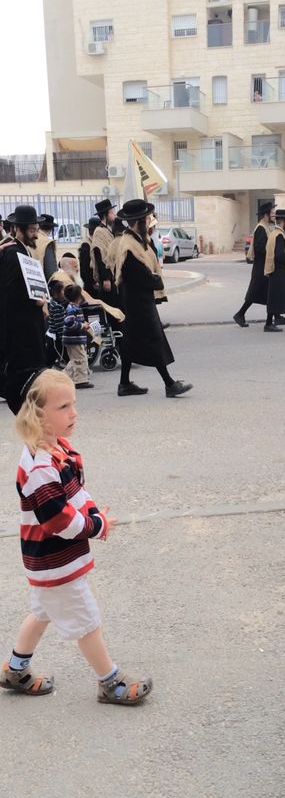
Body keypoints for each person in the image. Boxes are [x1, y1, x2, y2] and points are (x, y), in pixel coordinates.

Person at [0, 368, 152, 705]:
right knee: (86, 620)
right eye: (64, 407)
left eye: (74, 404)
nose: (74, 413)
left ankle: (15, 670)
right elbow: (59, 521)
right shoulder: (40, 466)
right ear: (38, 415)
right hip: (54, 559)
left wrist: (94, 511)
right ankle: (109, 682)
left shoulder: (56, 448)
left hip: (47, 559)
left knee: (41, 612)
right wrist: (95, 527)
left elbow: (75, 493)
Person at [115, 199, 193, 398]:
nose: (150, 221)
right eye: (147, 218)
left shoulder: (137, 240)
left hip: (136, 300)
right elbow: (143, 277)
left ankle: (124, 384)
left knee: (130, 343)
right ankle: (169, 384)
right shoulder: (129, 247)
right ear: (138, 221)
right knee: (154, 339)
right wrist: (156, 281)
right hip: (137, 303)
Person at [0, 205, 47, 391]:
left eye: (37, 230)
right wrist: (34, 301)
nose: (36, 235)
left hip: (27, 321)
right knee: (24, 367)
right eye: (32, 231)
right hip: (21, 325)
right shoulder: (13, 253)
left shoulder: (21, 249)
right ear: (19, 229)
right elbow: (10, 292)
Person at [233, 202, 285, 328]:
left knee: (267, 293)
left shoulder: (266, 227)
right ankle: (240, 314)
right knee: (255, 293)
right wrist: (272, 252)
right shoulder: (260, 228)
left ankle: (277, 316)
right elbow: (260, 248)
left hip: (264, 266)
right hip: (260, 267)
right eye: (272, 213)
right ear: (266, 215)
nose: (274, 215)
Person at [62, 284, 93, 390]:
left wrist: (84, 324)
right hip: (74, 339)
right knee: (80, 359)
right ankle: (80, 381)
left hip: (75, 338)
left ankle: (62, 377)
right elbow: (69, 322)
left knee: (75, 360)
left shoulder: (74, 307)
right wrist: (82, 325)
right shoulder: (72, 309)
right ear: (79, 296)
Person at [91, 199, 116, 300]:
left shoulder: (108, 229)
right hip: (107, 278)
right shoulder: (99, 232)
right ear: (105, 215)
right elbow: (99, 255)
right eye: (111, 212)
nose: (114, 214)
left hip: (113, 275)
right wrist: (106, 278)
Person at [46, 280, 67, 368]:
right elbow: (59, 325)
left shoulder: (53, 303)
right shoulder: (57, 307)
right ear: (57, 292)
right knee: (50, 359)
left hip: (53, 335)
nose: (64, 292)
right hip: (55, 337)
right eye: (63, 290)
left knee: (50, 359)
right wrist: (64, 337)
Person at [79, 216, 100, 294]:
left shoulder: (92, 242)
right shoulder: (86, 244)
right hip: (91, 284)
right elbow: (85, 267)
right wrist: (92, 282)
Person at [34, 213, 58, 280]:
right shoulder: (47, 243)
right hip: (42, 282)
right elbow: (51, 273)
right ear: (51, 229)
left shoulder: (30, 238)